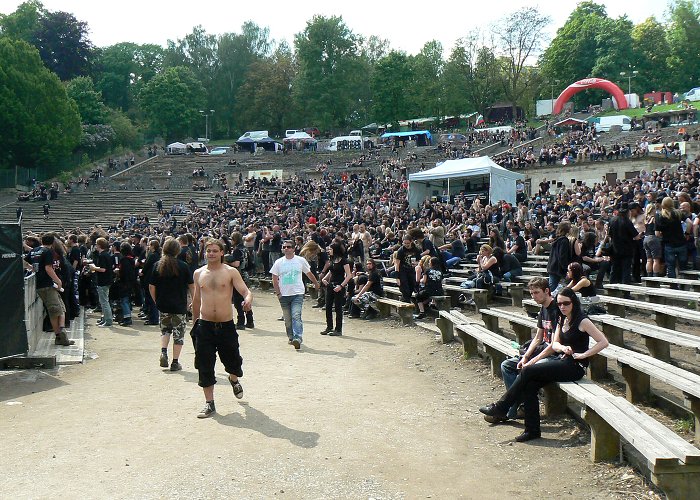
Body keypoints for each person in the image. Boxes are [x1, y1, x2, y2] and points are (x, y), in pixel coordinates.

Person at [479, 287, 609, 442]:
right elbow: (554, 344)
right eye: (560, 303)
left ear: (574, 302)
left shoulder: (583, 320)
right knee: (530, 384)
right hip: (561, 361)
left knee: (527, 371)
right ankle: (532, 430)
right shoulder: (562, 318)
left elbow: (603, 342)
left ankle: (501, 407)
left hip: (575, 367)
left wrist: (584, 354)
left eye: (566, 303)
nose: (562, 306)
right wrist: (562, 348)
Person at [191, 239, 253, 419]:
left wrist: (248, 299)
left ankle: (233, 379)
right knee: (204, 364)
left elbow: (245, 291)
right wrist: (194, 324)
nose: (211, 253)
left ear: (221, 253)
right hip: (205, 326)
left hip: (226, 325)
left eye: (214, 251)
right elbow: (196, 300)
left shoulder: (230, 272)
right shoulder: (198, 273)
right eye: (208, 250)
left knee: (233, 360)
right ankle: (209, 403)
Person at [485, 277, 558, 423]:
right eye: (531, 293)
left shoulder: (557, 310)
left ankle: (507, 411)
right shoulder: (543, 308)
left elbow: (554, 345)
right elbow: (538, 338)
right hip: (542, 351)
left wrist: (533, 360)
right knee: (507, 365)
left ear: (547, 291)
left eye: (536, 292)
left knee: (526, 371)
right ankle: (520, 406)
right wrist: (526, 357)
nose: (533, 296)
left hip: (555, 356)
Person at [150, 238, 195, 371]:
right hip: (179, 305)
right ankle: (175, 362)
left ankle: (164, 351)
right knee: (179, 334)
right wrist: (193, 300)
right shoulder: (183, 266)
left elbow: (152, 287)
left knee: (165, 330)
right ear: (178, 250)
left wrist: (156, 301)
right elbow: (192, 286)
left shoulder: (158, 265)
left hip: (163, 304)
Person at [23, 233, 74, 346]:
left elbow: (24, 261)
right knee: (55, 311)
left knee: (60, 308)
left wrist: (31, 268)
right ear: (52, 243)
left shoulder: (35, 250)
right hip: (47, 284)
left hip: (42, 284)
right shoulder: (48, 252)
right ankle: (60, 336)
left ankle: (61, 332)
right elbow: (48, 268)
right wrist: (58, 281)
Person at [271, 240, 320, 349]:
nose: (286, 249)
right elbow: (274, 278)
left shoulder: (300, 260)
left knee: (296, 315)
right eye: (284, 247)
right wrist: (278, 293)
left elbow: (308, 273)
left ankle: (298, 337)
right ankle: (291, 336)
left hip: (297, 293)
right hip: (284, 294)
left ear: (293, 249)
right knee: (287, 319)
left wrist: (316, 283)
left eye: (288, 247)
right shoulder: (278, 262)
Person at [320, 242, 352, 336]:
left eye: (330, 249)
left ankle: (338, 329)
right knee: (328, 307)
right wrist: (324, 279)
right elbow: (331, 272)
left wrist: (341, 286)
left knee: (338, 308)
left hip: (339, 286)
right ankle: (329, 327)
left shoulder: (344, 261)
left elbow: (349, 275)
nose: (329, 251)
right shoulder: (332, 260)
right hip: (331, 286)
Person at [655, 197, 687, 284]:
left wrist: (663, 234)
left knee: (671, 266)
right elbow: (690, 223)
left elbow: (657, 234)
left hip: (668, 243)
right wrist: (687, 233)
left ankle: (673, 285)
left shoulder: (660, 215)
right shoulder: (678, 213)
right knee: (683, 266)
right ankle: (684, 285)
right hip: (681, 242)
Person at [608, 202, 639, 286]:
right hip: (627, 249)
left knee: (614, 269)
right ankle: (626, 292)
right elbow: (636, 236)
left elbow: (609, 235)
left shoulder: (612, 220)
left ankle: (611, 287)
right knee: (626, 270)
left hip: (615, 248)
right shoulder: (627, 221)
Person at [89, 238, 114, 327]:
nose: (95, 245)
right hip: (105, 280)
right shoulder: (105, 254)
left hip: (103, 281)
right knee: (103, 301)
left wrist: (94, 268)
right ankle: (105, 319)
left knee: (104, 302)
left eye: (96, 244)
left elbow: (103, 269)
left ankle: (108, 320)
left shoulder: (102, 255)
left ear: (99, 245)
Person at [546, 221, 572, 293]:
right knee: (552, 287)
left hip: (552, 266)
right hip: (557, 268)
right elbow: (562, 256)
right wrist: (565, 268)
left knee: (552, 286)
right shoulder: (564, 240)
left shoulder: (557, 239)